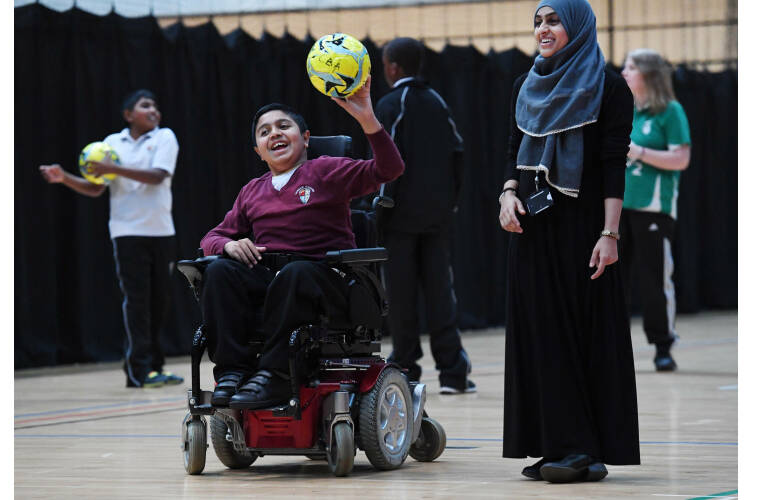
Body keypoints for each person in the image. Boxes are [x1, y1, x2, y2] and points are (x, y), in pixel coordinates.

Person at [198, 77, 405, 410]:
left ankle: (276, 376)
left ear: (306, 138)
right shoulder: (252, 190)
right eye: (264, 132)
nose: (274, 133)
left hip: (325, 279)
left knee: (295, 273)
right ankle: (232, 373)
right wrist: (227, 246)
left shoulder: (325, 171)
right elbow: (211, 237)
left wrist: (367, 116)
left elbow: (390, 168)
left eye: (284, 126)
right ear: (258, 151)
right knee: (220, 272)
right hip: (274, 279)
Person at [498, 0, 640, 483]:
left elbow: (612, 163)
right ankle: (551, 443)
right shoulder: (524, 84)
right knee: (539, 335)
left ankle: (583, 448)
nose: (543, 28)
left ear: (577, 27)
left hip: (585, 230)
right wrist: (506, 195)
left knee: (581, 334)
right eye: (538, 20)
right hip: (531, 227)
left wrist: (610, 234)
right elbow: (512, 151)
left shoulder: (610, 86)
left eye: (553, 19)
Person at [39, 89, 183, 389]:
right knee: (137, 302)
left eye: (155, 105)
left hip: (161, 230)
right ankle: (138, 371)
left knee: (159, 302)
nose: (153, 110)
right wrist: (64, 177)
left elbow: (157, 175)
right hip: (127, 232)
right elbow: (95, 188)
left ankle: (154, 367)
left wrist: (112, 169)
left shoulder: (164, 137)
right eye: (145, 106)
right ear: (129, 114)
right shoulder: (109, 145)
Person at [374, 37, 475, 395]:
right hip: (437, 218)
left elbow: (386, 163)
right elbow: (458, 153)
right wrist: (451, 202)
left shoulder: (390, 104)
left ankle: (406, 369)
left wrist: (379, 212)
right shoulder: (438, 102)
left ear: (394, 67)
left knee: (401, 298)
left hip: (400, 220)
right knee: (441, 294)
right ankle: (453, 374)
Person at [620, 49, 691, 372]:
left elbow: (681, 159)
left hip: (654, 209)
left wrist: (640, 152)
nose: (624, 71)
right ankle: (611, 346)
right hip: (618, 208)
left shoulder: (670, 112)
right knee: (612, 280)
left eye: (631, 67)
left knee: (654, 280)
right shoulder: (625, 111)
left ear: (648, 74)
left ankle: (663, 345)